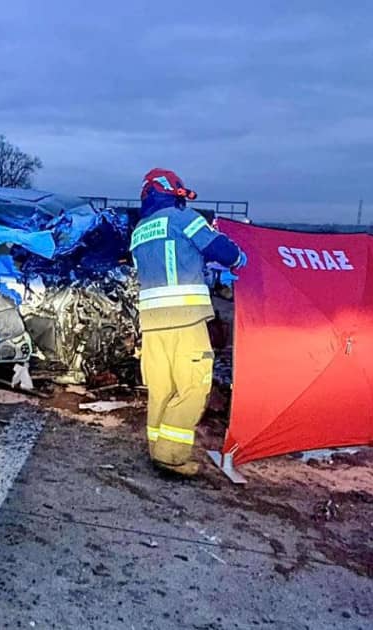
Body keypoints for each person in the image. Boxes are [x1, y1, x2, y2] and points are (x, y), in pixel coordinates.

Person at [130, 168, 246, 476]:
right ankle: (171, 456)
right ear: (174, 193)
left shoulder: (140, 230)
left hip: (152, 324)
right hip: (185, 319)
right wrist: (238, 259)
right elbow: (221, 250)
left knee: (161, 389)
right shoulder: (182, 218)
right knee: (194, 386)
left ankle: (157, 449)